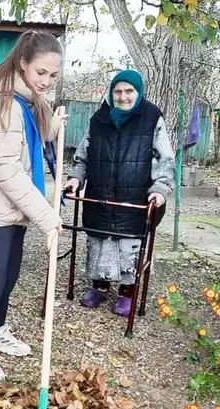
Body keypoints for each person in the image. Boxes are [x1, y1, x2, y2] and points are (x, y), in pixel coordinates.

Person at [0, 30, 66, 382]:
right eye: (41, 73)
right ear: (23, 64)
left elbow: (28, 140)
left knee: (8, 276)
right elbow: (7, 171)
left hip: (14, 208)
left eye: (53, 75)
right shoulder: (4, 104)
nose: (47, 81)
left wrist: (52, 126)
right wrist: (47, 216)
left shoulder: (25, 99)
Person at [64, 70, 174, 317]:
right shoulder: (99, 119)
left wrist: (159, 190)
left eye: (129, 91)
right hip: (100, 194)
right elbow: (83, 156)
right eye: (118, 91)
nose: (123, 97)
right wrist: (75, 178)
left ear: (138, 92)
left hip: (134, 197)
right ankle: (99, 285)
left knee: (129, 245)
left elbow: (165, 159)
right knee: (100, 240)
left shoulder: (152, 118)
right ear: (111, 92)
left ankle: (127, 291)